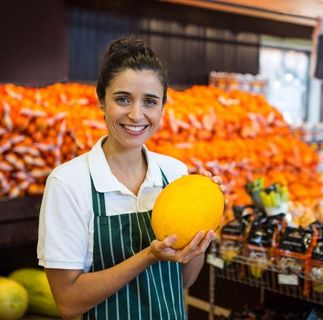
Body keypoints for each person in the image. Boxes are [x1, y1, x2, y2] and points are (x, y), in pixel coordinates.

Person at [37, 36, 219, 319]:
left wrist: (204, 226)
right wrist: (148, 256)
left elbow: (182, 281)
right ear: (101, 101)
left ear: (162, 107)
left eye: (150, 101)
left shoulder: (176, 174)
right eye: (123, 99)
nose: (136, 115)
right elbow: (68, 301)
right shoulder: (68, 183)